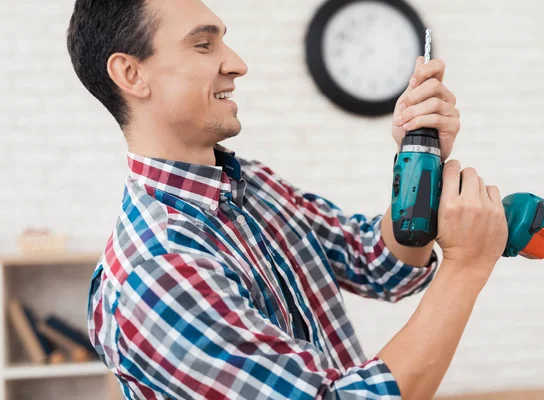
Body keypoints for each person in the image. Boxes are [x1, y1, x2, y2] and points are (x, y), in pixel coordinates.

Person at [67, 1, 508, 399]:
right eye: (203, 45)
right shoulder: (159, 272)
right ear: (131, 74)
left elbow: (380, 262)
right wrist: (465, 266)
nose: (237, 64)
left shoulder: (251, 184)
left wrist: (418, 160)